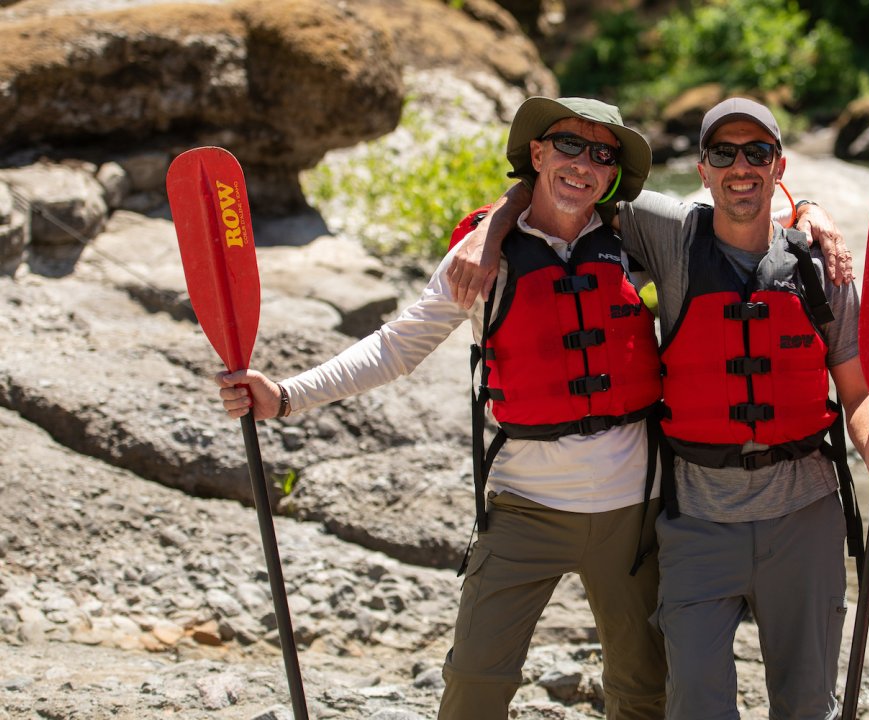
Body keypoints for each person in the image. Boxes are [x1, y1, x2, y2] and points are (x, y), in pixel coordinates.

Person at [449, 97, 869, 720]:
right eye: (724, 153)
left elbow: (855, 393)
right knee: (692, 701)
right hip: (697, 519)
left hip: (804, 515)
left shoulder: (819, 266)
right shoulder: (668, 232)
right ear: (701, 169)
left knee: (806, 706)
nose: (740, 166)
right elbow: (564, 194)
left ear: (780, 166)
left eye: (757, 153)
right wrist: (492, 226)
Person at [215, 97, 669, 720]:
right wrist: (288, 394)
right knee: (475, 682)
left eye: (602, 154)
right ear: (536, 154)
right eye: (568, 145)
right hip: (525, 511)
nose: (583, 165)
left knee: (643, 688)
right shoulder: (483, 259)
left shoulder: (639, 239)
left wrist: (811, 214)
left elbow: (744, 213)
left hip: (632, 514)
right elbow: (398, 347)